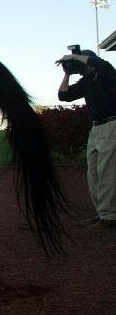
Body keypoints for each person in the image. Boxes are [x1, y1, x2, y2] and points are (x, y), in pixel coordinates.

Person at [57, 49, 116, 229]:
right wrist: (67, 73)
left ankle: (110, 216)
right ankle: (103, 213)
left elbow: (99, 62)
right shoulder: (86, 82)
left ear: (87, 61)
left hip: (111, 124)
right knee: (94, 173)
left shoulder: (105, 72)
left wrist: (75, 56)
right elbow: (63, 95)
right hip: (96, 128)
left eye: (79, 63)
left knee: (107, 172)